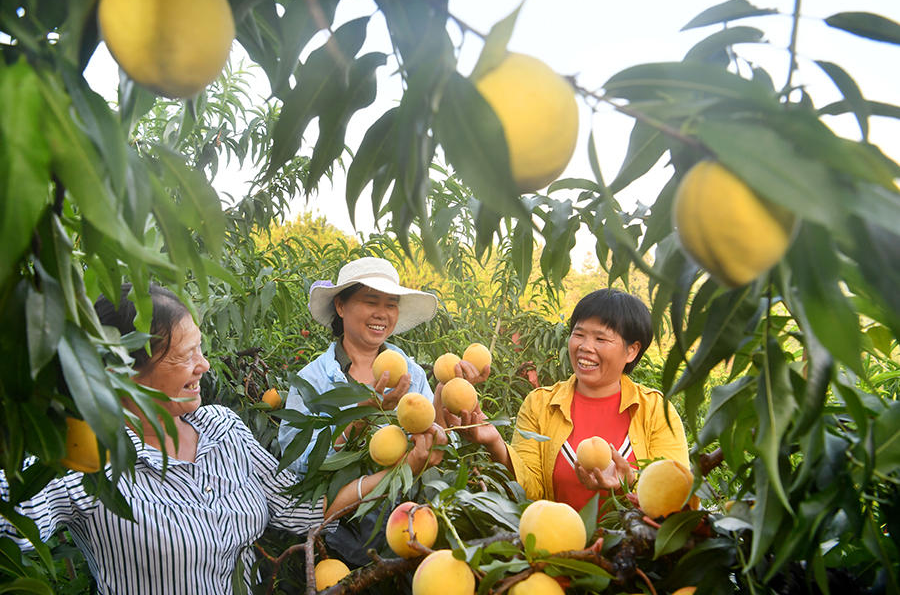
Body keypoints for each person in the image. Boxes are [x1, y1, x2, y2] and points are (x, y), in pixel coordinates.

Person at [0, 283, 443, 594]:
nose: (205, 365)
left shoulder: (222, 428)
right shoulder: (86, 459)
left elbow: (306, 509)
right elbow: (11, 520)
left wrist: (403, 467)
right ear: (123, 373)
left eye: (200, 347)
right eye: (184, 355)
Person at [278, 257, 463, 566]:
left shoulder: (412, 375)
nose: (382, 313)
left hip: (407, 534)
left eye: (391, 304)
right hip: (337, 546)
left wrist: (446, 398)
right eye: (370, 301)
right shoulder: (312, 381)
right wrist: (360, 418)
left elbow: (435, 444)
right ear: (340, 306)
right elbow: (300, 465)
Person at [444, 288, 688, 512]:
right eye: (578, 334)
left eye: (601, 339)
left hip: (633, 543)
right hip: (555, 541)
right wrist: (496, 443)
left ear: (632, 350)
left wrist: (630, 486)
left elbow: (677, 494)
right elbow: (530, 492)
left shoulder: (656, 412)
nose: (585, 346)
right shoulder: (540, 404)